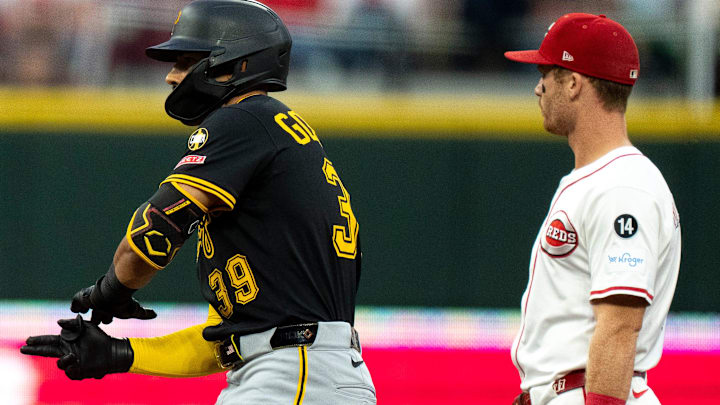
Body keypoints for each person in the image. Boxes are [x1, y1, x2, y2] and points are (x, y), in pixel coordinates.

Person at [20, 1, 376, 404]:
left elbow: (154, 230)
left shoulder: (244, 119)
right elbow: (223, 341)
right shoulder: (273, 136)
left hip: (294, 374)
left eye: (188, 60)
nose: (172, 76)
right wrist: (121, 353)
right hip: (300, 371)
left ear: (237, 63)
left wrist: (111, 290)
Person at [504, 13, 680, 405]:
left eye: (545, 74)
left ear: (572, 83)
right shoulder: (601, 179)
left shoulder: (623, 186)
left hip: (592, 393)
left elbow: (619, 328)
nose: (537, 89)